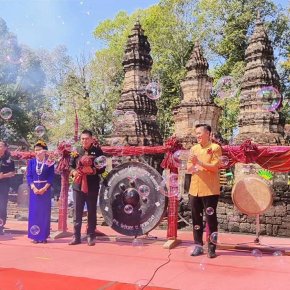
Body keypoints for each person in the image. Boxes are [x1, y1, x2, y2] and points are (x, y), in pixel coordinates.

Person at [187, 124, 222, 258]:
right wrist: (193, 167)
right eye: (196, 133)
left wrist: (199, 163)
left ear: (208, 133)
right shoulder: (194, 148)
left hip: (210, 189)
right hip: (194, 189)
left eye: (200, 133)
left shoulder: (215, 148)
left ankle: (212, 247)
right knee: (196, 219)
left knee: (211, 219)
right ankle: (198, 246)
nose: (197, 136)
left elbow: (214, 167)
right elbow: (189, 167)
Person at [69, 129, 106, 246]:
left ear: (91, 139)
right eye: (82, 139)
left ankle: (91, 235)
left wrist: (93, 170)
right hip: (78, 185)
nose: (84, 141)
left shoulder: (97, 151)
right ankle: (76, 236)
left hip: (92, 185)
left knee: (91, 211)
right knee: (77, 211)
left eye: (86, 138)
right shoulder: (76, 151)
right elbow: (70, 166)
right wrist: (74, 172)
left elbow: (103, 168)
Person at [27, 140, 54, 243]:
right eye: (36, 150)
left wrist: (44, 188)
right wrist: (33, 187)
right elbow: (29, 176)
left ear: (45, 151)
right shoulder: (32, 162)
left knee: (44, 212)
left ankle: (43, 236)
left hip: (45, 191)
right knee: (34, 212)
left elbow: (51, 177)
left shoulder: (49, 162)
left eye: (39, 150)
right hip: (34, 190)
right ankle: (35, 236)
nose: (37, 152)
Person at [0, 141, 15, 235]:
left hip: (4, 185)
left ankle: (1, 226)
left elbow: (13, 173)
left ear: (5, 148)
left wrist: (3, 176)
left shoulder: (9, 159)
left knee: (2, 205)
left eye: (0, 146)